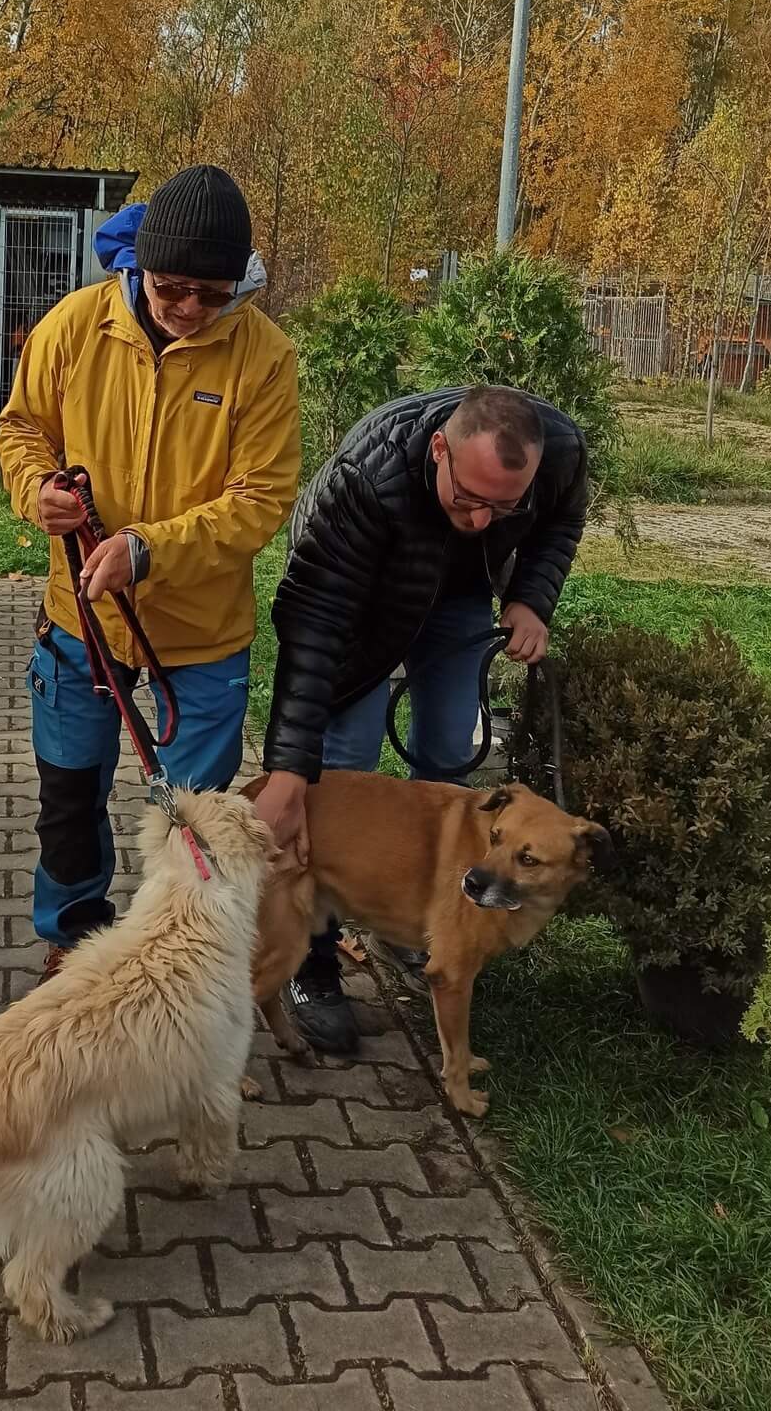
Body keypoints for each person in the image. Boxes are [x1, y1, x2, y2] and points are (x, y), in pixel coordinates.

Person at [0, 164, 301, 974]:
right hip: (81, 623)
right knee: (68, 800)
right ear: (140, 269)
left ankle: (174, 962)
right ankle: (73, 940)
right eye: (174, 289)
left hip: (202, 637)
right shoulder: (73, 326)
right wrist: (37, 490)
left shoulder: (265, 359)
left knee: (196, 822)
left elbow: (261, 498)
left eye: (214, 292)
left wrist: (149, 550)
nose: (193, 309)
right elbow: (22, 427)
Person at [254, 384, 589, 1055]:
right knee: (337, 777)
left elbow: (558, 528)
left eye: (503, 507)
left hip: (461, 600)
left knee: (447, 757)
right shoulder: (364, 478)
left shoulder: (559, 452)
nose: (482, 522)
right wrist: (290, 769)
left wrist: (529, 599)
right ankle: (311, 965)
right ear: (439, 450)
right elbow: (314, 627)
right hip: (360, 605)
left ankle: (433, 927)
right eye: (468, 498)